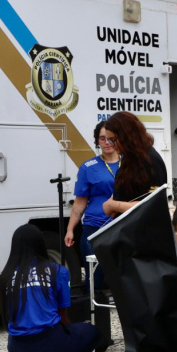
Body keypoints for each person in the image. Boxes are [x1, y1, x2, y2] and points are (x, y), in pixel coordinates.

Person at [0, 224, 99, 352]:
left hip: (17, 350)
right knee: (92, 332)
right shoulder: (57, 271)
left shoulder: (7, 277)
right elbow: (62, 316)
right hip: (51, 346)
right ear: (41, 244)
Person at [65, 122, 119, 291]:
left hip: (122, 227)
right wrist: (70, 229)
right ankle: (94, 315)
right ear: (97, 141)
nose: (107, 142)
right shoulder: (88, 167)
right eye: (102, 138)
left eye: (111, 138)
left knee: (122, 278)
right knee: (94, 280)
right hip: (94, 228)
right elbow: (80, 202)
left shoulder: (130, 164)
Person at [102, 111, 168, 217]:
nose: (112, 145)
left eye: (113, 140)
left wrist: (113, 205)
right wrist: (115, 201)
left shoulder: (151, 160)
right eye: (109, 140)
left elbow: (152, 204)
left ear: (126, 135)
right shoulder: (129, 158)